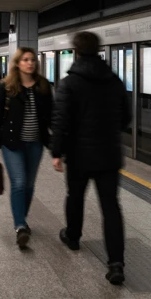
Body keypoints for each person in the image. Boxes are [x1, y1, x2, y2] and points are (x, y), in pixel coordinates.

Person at [50, 32, 130, 285]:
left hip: (79, 154)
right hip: (108, 154)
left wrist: (56, 152)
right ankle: (116, 263)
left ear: (76, 51)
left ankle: (73, 236)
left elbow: (60, 120)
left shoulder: (70, 83)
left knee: (75, 196)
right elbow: (126, 118)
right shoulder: (114, 80)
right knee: (111, 207)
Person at [0, 47, 53, 248]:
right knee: (19, 182)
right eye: (25, 59)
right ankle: (20, 226)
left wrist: (57, 143)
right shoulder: (6, 86)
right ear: (17, 63)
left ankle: (21, 217)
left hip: (36, 143)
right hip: (12, 143)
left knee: (30, 184)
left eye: (32, 59)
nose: (30, 63)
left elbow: (51, 115)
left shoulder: (43, 85)